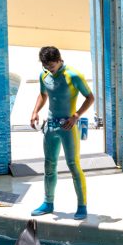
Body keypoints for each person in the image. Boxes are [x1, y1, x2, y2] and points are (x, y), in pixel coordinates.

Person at [29, 46, 95, 220]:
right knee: (49, 166)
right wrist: (35, 111)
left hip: (68, 127)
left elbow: (90, 97)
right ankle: (48, 203)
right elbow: (43, 95)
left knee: (73, 165)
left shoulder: (73, 75)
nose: (48, 69)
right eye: (46, 66)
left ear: (59, 60)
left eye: (51, 65)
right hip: (50, 126)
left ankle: (82, 206)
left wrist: (76, 116)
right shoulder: (44, 75)